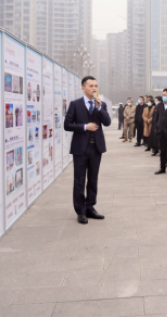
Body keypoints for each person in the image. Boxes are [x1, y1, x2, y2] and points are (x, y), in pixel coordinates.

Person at [64, 76, 111, 224]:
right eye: (91, 86)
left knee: (93, 179)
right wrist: (85, 127)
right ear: (83, 88)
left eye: (96, 85)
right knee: (79, 180)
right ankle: (80, 211)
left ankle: (90, 207)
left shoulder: (101, 104)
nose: (94, 88)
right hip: (80, 148)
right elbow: (67, 125)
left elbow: (107, 122)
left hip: (96, 148)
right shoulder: (75, 104)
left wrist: (100, 108)